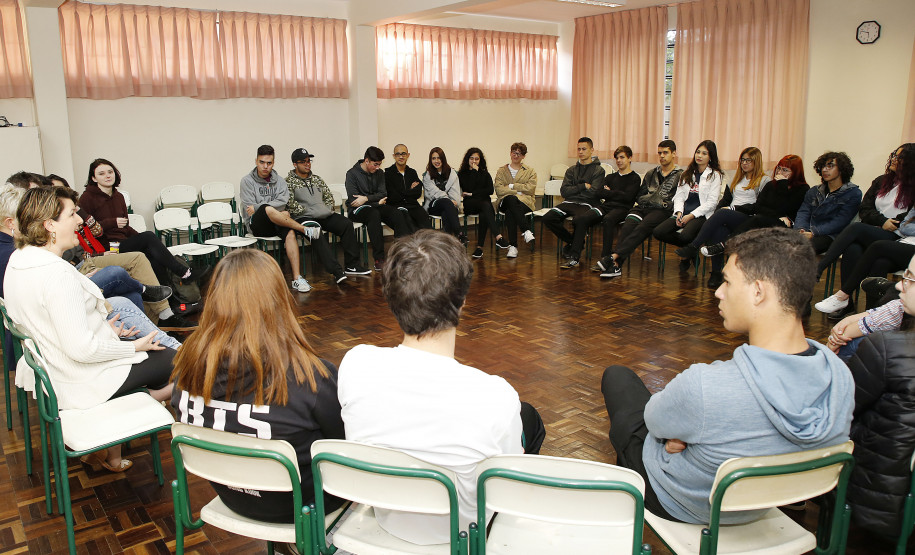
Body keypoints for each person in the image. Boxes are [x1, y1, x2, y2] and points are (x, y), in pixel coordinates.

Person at [601, 227, 852, 524]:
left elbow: (654, 421)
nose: (718, 292)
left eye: (728, 282)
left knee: (618, 379)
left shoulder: (707, 386)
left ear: (758, 292)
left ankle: (625, 505)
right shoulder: (839, 376)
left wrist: (684, 432)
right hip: (763, 503)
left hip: (683, 504)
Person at [338, 230, 545, 546]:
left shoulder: (355, 363)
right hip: (464, 536)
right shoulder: (495, 396)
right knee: (529, 419)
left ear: (391, 299)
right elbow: (506, 481)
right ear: (462, 303)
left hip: (387, 523)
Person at [6, 186, 177, 473]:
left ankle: (115, 443)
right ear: (49, 225)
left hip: (58, 369)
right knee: (181, 361)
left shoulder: (19, 260)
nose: (79, 220)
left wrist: (103, 329)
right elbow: (82, 350)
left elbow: (49, 323)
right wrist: (133, 347)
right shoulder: (57, 274)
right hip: (81, 378)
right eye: (72, 214)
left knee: (157, 352)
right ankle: (144, 403)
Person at [171, 249, 345, 524]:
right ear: (278, 300)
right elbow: (341, 446)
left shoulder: (186, 369)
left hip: (231, 496)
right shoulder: (309, 377)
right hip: (304, 504)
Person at [844, 253, 915, 539]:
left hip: (878, 494)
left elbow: (844, 409)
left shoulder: (889, 349)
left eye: (909, 278)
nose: (899, 285)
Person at [815, 144, 915, 314]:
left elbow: (906, 219)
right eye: (894, 155)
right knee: (853, 248)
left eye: (899, 157)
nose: (893, 159)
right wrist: (881, 220)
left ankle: (821, 272)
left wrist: (890, 223)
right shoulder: (881, 181)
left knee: (857, 230)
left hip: (895, 234)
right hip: (876, 228)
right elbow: (865, 208)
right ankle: (850, 305)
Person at [78, 158, 209, 286]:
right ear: (94, 178)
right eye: (101, 173)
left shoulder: (119, 197)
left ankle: (166, 294)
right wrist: (113, 222)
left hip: (123, 242)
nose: (107, 176)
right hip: (107, 248)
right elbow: (88, 229)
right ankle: (184, 273)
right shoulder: (87, 198)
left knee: (153, 255)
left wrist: (145, 241)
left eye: (110, 172)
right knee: (148, 238)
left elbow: (125, 227)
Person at [674, 146, 772, 288]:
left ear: (756, 161)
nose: (744, 163)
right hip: (729, 216)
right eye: (742, 160)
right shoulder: (736, 179)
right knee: (718, 230)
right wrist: (719, 212)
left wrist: (732, 209)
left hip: (749, 219)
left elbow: (759, 206)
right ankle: (716, 273)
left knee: (722, 213)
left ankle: (693, 246)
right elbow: (725, 200)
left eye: (748, 160)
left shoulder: (764, 180)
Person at [598, 140, 683, 278]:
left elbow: (676, 200)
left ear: (674, 154)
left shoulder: (681, 176)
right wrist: (654, 200)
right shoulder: (651, 173)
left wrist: (656, 201)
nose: (662, 156)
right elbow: (639, 196)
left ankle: (614, 260)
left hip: (662, 211)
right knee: (628, 225)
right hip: (642, 208)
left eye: (665, 152)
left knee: (643, 227)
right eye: (659, 153)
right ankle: (615, 262)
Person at [285, 147, 371, 284]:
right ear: (295, 164)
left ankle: (352, 265)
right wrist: (312, 211)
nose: (307, 164)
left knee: (346, 224)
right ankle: (336, 271)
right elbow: (290, 204)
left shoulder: (317, 179)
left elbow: (329, 198)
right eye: (303, 162)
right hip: (303, 218)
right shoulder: (288, 182)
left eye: (309, 161)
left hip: (323, 215)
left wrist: (325, 209)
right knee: (315, 231)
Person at [239, 145, 317, 292]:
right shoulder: (247, 181)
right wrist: (263, 208)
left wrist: (259, 206)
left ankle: (297, 278)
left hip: (277, 220)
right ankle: (303, 229)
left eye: (269, 163)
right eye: (262, 162)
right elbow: (250, 209)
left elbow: (283, 202)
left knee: (289, 231)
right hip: (257, 224)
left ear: (273, 163)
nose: (265, 166)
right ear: (256, 161)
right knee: (271, 210)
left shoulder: (280, 181)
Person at [653, 140, 726, 273]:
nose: (699, 156)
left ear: (710, 157)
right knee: (658, 232)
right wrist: (679, 213)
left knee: (685, 236)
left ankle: (687, 253)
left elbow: (712, 203)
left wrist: (691, 216)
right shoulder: (687, 173)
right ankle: (691, 251)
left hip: (701, 215)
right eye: (698, 152)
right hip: (684, 212)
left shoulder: (715, 175)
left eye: (704, 153)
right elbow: (679, 196)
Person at [345, 146, 411, 271]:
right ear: (366, 161)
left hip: (374, 206)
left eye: (379, 164)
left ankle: (402, 254)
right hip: (357, 210)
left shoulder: (380, 173)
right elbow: (354, 201)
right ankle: (379, 258)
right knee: (373, 214)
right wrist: (375, 201)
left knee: (397, 213)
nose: (377, 167)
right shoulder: (352, 174)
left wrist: (366, 198)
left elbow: (383, 193)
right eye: (375, 164)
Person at [543, 137, 605, 268]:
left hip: (587, 204)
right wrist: (583, 186)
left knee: (579, 220)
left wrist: (575, 190)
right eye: (579, 149)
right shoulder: (571, 170)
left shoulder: (598, 170)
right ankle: (575, 242)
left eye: (584, 149)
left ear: (592, 150)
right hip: (569, 202)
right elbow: (564, 192)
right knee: (548, 217)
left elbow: (594, 193)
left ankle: (574, 256)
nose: (580, 152)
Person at [794, 151, 862, 254]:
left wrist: (814, 232)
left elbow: (840, 221)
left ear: (842, 169)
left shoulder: (853, 193)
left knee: (801, 250)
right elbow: (803, 212)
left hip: (832, 235)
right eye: (823, 166)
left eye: (830, 166)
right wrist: (801, 230)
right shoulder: (814, 191)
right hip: (808, 231)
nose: (824, 169)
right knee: (781, 245)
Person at [590, 145, 640, 271]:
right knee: (583, 217)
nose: (619, 160)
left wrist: (610, 192)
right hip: (606, 206)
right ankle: (574, 253)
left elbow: (628, 198)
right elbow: (598, 193)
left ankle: (605, 258)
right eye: (617, 158)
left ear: (630, 158)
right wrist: (618, 193)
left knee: (608, 219)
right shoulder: (610, 177)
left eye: (622, 157)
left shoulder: (635, 178)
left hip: (623, 209)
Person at [457, 147, 509, 258]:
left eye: (477, 159)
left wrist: (472, 194)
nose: (474, 161)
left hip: (483, 204)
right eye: (471, 158)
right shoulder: (462, 174)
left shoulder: (484, 173)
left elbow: (490, 190)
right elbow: (469, 187)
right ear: (467, 159)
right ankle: (498, 237)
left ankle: (479, 248)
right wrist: (474, 172)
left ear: (480, 160)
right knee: (486, 205)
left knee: (484, 211)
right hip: (470, 205)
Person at [493, 142, 537, 258]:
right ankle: (526, 230)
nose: (516, 155)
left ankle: (513, 247)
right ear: (510, 153)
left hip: (525, 202)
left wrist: (511, 186)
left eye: (519, 153)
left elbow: (530, 189)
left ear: (523, 156)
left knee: (510, 212)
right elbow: (499, 190)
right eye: (514, 152)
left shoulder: (530, 171)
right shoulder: (502, 170)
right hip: (504, 201)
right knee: (511, 199)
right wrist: (517, 192)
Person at [384, 144, 431, 232]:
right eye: (398, 154)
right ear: (394, 156)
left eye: (403, 154)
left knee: (426, 224)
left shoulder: (412, 172)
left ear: (408, 155)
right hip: (397, 207)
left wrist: (402, 192)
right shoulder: (388, 173)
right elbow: (392, 196)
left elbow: (418, 193)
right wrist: (410, 191)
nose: (401, 157)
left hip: (413, 205)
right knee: (410, 227)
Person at [422, 147, 464, 242]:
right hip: (433, 205)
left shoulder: (452, 174)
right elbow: (434, 193)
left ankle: (447, 242)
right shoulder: (427, 175)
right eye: (433, 158)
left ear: (443, 159)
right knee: (446, 202)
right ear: (430, 160)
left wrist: (451, 202)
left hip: (450, 207)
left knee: (446, 212)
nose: (436, 161)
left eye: (439, 158)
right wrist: (449, 200)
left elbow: (455, 192)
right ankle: (459, 233)